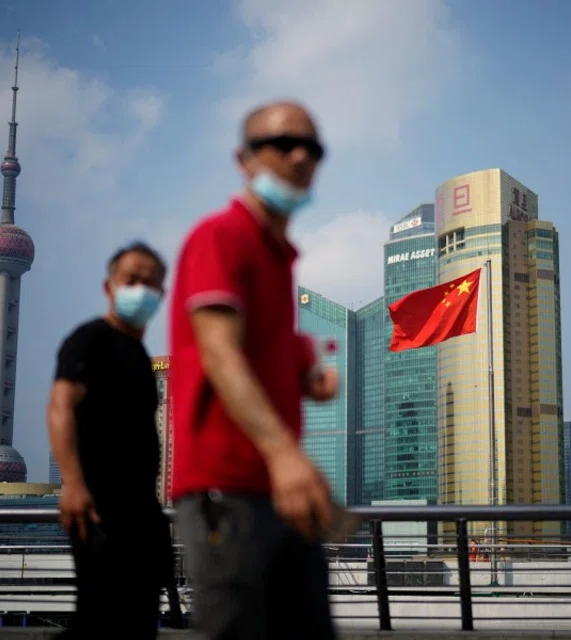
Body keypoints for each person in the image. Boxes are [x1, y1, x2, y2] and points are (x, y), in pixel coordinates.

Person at [169, 101, 340, 638]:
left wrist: (306, 376)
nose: (299, 155)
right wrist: (285, 453)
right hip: (228, 491)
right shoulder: (220, 236)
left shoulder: (278, 257)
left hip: (281, 492)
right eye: (282, 142)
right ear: (243, 159)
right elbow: (219, 352)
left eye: (312, 147)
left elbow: (258, 350)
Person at [46, 242, 175, 637]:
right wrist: (73, 483)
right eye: (131, 279)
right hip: (100, 509)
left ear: (162, 295)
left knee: (137, 622)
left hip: (142, 513)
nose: (141, 289)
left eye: (150, 283)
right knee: (99, 621)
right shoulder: (91, 340)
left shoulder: (139, 354)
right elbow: (60, 407)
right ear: (109, 287)